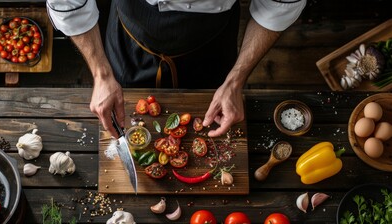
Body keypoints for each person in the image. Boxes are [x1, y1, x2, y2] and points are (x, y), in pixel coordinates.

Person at [46, 0, 306, 138]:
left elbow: (278, 4)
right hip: (129, 36)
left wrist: (235, 82)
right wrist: (102, 75)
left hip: (211, 44)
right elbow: (68, 2)